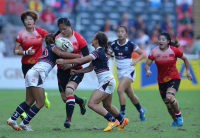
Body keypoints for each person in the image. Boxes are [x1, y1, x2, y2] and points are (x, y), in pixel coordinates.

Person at [6, 33, 81, 131]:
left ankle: (12, 118)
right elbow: (62, 54)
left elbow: (61, 57)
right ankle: (25, 123)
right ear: (55, 41)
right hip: (38, 73)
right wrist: (76, 55)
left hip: (31, 72)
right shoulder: (53, 47)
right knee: (40, 102)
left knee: (29, 101)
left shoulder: (46, 49)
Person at [56, 31, 129, 131]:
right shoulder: (100, 51)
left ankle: (112, 120)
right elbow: (90, 68)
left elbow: (81, 60)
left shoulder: (98, 51)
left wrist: (65, 61)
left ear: (96, 41)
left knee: (92, 103)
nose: (92, 39)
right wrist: (77, 71)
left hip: (106, 81)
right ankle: (122, 121)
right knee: (107, 106)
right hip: (109, 81)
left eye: (93, 38)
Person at [145, 32, 192, 126]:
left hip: (174, 77)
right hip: (161, 81)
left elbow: (186, 59)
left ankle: (179, 116)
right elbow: (147, 64)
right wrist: (148, 70)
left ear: (168, 41)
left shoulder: (174, 50)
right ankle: (175, 120)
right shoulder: (154, 51)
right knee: (167, 104)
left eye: (163, 39)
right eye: (159, 39)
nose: (160, 41)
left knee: (170, 97)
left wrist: (187, 71)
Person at [13, 10, 50, 119]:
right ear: (23, 22)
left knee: (32, 94)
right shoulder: (21, 34)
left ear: (34, 21)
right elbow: (15, 51)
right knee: (31, 94)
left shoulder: (41, 32)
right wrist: (25, 52)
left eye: (31, 19)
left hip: (39, 65)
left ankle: (23, 114)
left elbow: (52, 39)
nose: (28, 21)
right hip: (27, 66)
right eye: (26, 20)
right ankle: (24, 115)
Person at [55, 17, 89, 128]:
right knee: (65, 98)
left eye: (64, 29)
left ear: (71, 26)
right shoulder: (58, 38)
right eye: (60, 29)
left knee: (69, 90)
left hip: (76, 70)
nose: (63, 31)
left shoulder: (79, 39)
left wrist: (71, 64)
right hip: (62, 71)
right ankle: (80, 102)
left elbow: (86, 57)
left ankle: (68, 119)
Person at [108, 25, 146, 121]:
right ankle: (141, 110)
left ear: (126, 33)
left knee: (120, 90)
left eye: (122, 31)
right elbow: (108, 55)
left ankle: (122, 113)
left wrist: (136, 61)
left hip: (129, 70)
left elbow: (142, 54)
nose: (120, 33)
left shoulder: (131, 44)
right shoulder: (113, 44)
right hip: (120, 72)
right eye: (118, 31)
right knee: (130, 95)